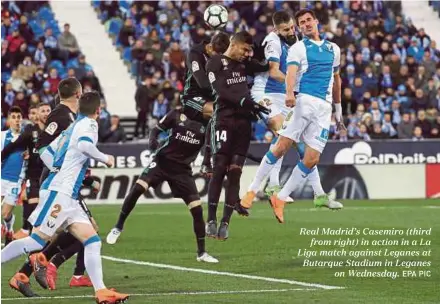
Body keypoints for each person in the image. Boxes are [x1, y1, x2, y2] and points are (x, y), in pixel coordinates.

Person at [1, 91, 129, 304]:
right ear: (99, 110)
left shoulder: (73, 125)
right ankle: (22, 273)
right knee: (35, 241)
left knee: (92, 241)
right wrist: (106, 158)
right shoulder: (89, 124)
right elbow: (85, 146)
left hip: (67, 193)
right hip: (61, 193)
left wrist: (58, 169)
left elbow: (48, 150)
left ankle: (102, 292)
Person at [244, 9, 344, 224]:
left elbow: (333, 78)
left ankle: (319, 194)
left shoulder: (301, 41)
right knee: (282, 133)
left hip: (294, 97)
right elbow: (274, 71)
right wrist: (296, 87)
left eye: (292, 27)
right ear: (276, 30)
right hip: (266, 92)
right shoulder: (273, 40)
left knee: (305, 149)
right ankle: (272, 186)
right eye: (286, 29)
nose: (291, 31)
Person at [8, 78, 97, 297]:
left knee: (63, 232)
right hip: (58, 184)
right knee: (58, 233)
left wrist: (84, 178)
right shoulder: (61, 115)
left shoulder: (73, 117)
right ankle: (44, 263)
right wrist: (59, 170)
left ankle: (30, 270)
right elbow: (41, 148)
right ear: (78, 94)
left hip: (66, 182)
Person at [106, 108, 218, 263]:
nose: (212, 109)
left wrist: (207, 163)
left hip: (182, 170)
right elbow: (156, 129)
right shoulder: (176, 114)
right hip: (162, 162)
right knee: (138, 188)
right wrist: (153, 140)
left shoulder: (209, 124)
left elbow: (208, 148)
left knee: (197, 209)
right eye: (210, 105)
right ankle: (118, 226)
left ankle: (201, 253)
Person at [205, 31, 270, 240]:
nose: (246, 54)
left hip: (243, 124)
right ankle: (211, 220)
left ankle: (225, 222)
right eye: (244, 49)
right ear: (233, 44)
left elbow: (265, 67)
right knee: (219, 170)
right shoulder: (215, 63)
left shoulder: (245, 64)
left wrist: (261, 53)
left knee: (235, 173)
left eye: (249, 50)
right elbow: (221, 91)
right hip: (223, 120)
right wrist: (244, 102)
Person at [1, 103, 52, 240]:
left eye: (48, 110)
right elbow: (11, 147)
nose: (45, 113)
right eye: (42, 111)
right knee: (33, 205)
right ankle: (27, 232)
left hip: (42, 177)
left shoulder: (51, 131)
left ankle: (26, 230)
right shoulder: (27, 131)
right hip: (24, 177)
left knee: (44, 209)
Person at [1, 106, 26, 245]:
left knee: (5, 214)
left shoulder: (26, 137)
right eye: (14, 117)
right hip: (1, 177)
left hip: (15, 181)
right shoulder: (2, 136)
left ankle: (9, 227)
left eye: (19, 117)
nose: (17, 120)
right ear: (9, 120)